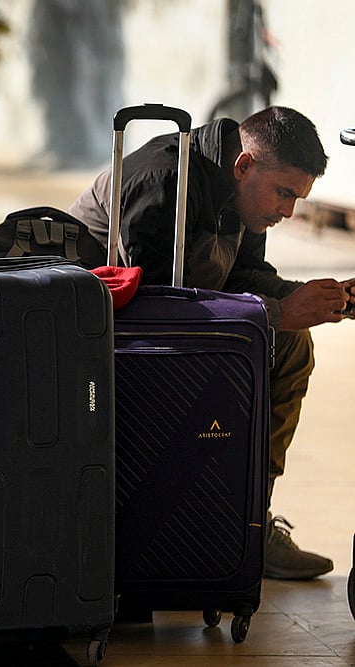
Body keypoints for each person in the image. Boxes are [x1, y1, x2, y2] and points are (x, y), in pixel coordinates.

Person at [68, 105, 345, 580]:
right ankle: (190, 523)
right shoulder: (161, 181)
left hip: (179, 328)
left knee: (293, 346)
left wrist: (309, 299)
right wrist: (277, 312)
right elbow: (151, 309)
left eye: (297, 198)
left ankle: (250, 519)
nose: (288, 211)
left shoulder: (242, 195)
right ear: (244, 165)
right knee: (269, 337)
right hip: (108, 340)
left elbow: (243, 278)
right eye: (284, 194)